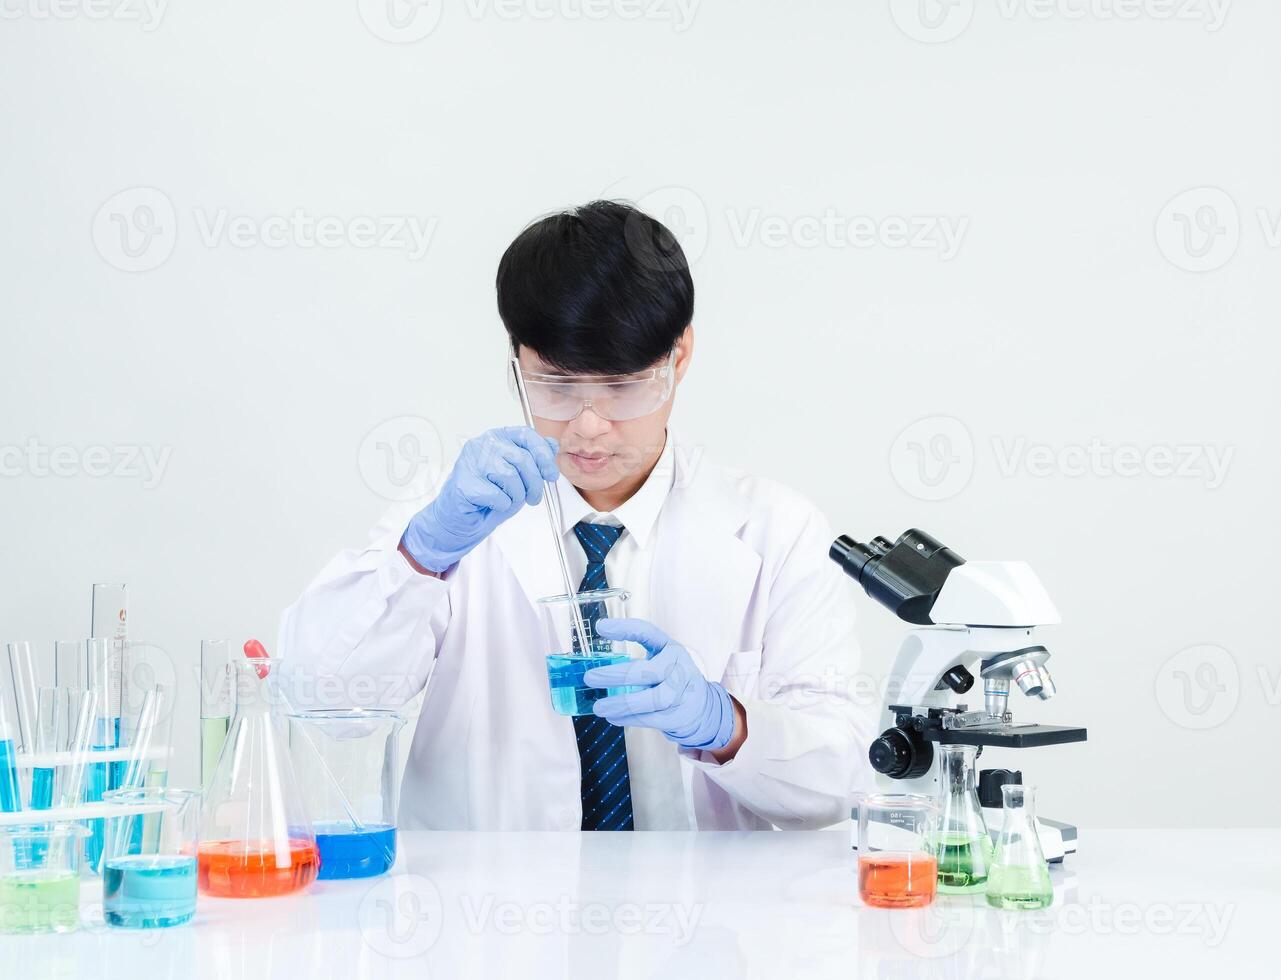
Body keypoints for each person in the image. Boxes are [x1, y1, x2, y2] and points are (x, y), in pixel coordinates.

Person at [279, 200, 871, 831]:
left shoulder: (777, 531)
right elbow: (321, 695)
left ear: (681, 356)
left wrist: (724, 724)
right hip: (483, 916)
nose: (589, 427)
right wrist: (421, 556)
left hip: (703, 918)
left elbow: (845, 777)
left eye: (622, 387)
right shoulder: (450, 513)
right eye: (556, 386)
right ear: (517, 359)